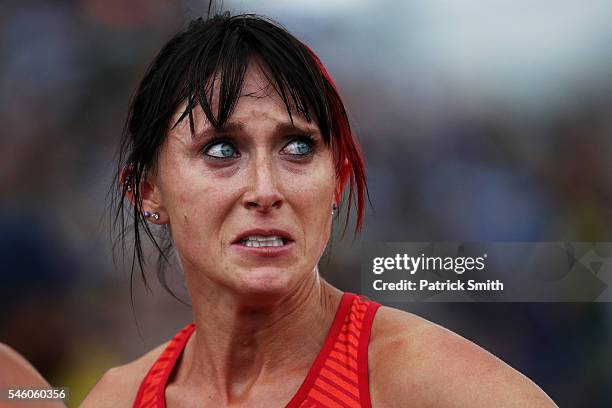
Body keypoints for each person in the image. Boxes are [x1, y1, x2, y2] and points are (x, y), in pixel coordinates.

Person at [81, 12, 557, 407]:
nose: (265, 190)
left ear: (337, 181)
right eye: (222, 150)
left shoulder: (437, 388)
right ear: (146, 191)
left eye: (297, 148)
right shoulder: (116, 399)